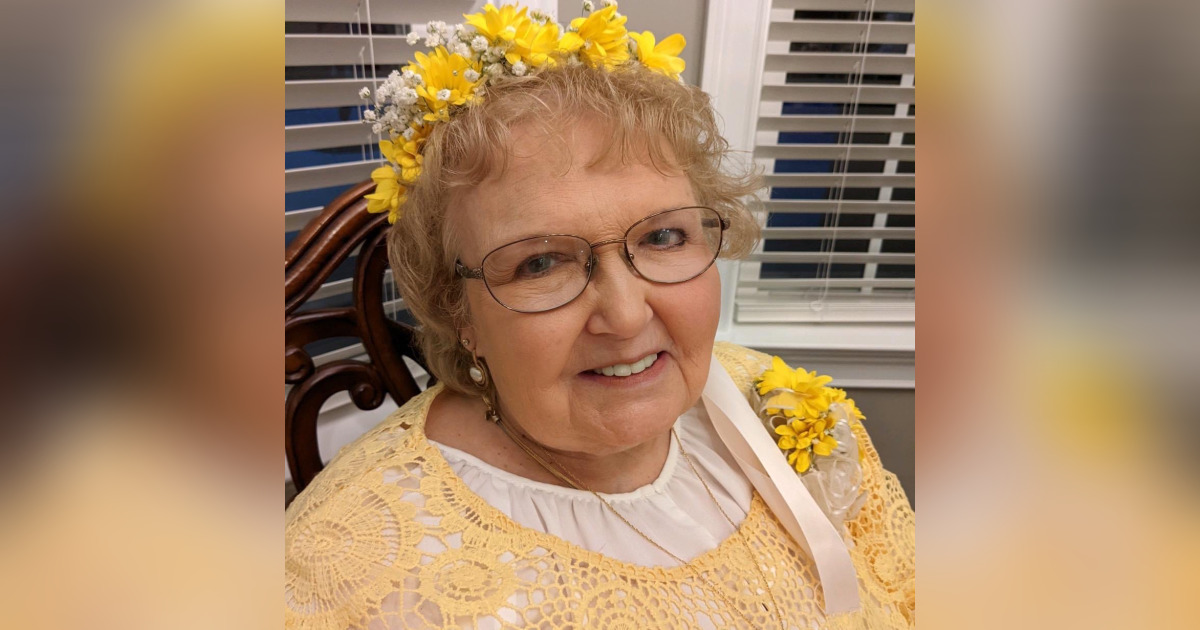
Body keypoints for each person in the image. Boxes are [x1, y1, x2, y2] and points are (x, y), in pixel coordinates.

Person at [285, 3, 914, 628]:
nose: (626, 316)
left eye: (663, 237)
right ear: (460, 312)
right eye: (540, 263)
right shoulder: (350, 573)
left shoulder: (786, 410)